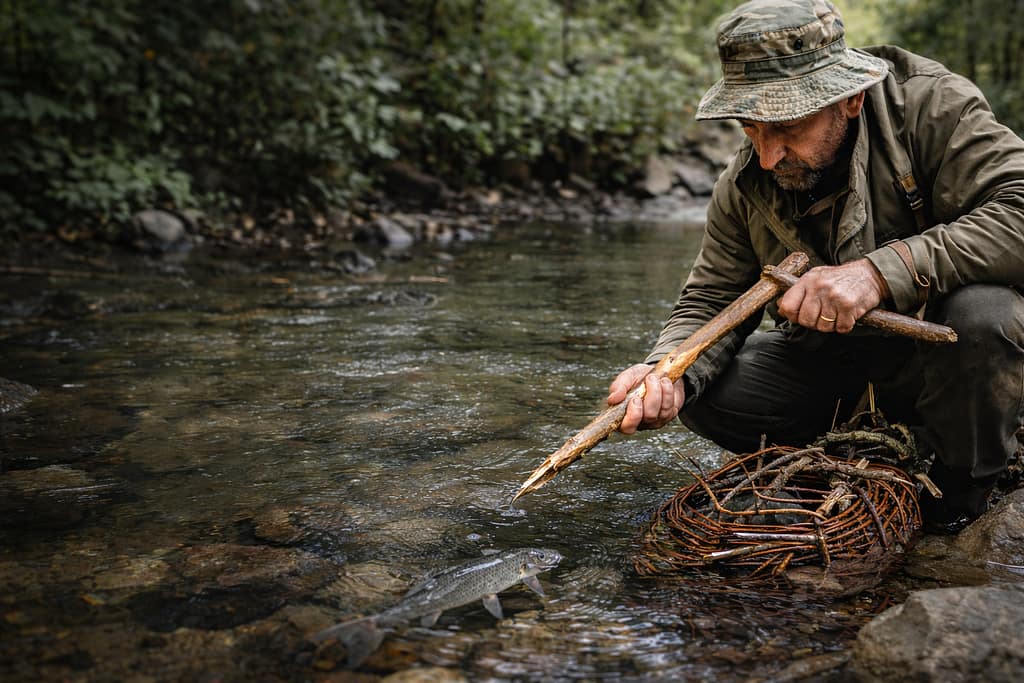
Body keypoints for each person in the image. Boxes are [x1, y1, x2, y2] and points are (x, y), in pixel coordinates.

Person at [607, 0, 1024, 531]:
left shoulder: (933, 108)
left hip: (946, 355)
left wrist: (878, 273)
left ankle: (957, 502)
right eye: (751, 128)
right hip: (839, 364)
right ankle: (845, 461)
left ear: (848, 99)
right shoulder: (745, 184)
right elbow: (711, 299)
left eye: (786, 128)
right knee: (708, 391)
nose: (767, 156)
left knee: (985, 316)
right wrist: (666, 370)